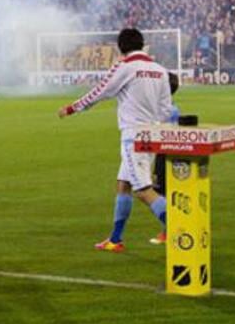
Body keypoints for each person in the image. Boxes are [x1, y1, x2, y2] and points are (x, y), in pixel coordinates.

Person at [58, 27, 173, 253]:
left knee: (143, 190)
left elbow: (99, 92)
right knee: (123, 185)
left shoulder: (124, 67)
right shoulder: (160, 70)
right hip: (153, 133)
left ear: (121, 47)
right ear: (142, 45)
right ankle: (115, 239)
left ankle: (182, 226)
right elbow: (166, 109)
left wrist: (72, 109)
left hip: (133, 136)